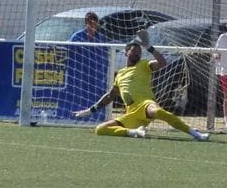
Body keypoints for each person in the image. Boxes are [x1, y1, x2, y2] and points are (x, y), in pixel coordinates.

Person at [73, 30, 209, 141]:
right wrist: (90, 110)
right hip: (131, 113)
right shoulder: (120, 74)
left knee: (158, 112)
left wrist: (149, 46)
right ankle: (134, 132)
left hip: (145, 104)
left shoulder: (144, 64)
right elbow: (110, 96)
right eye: (134, 51)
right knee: (100, 129)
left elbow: (162, 63)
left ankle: (195, 134)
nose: (138, 53)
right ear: (126, 53)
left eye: (139, 51)